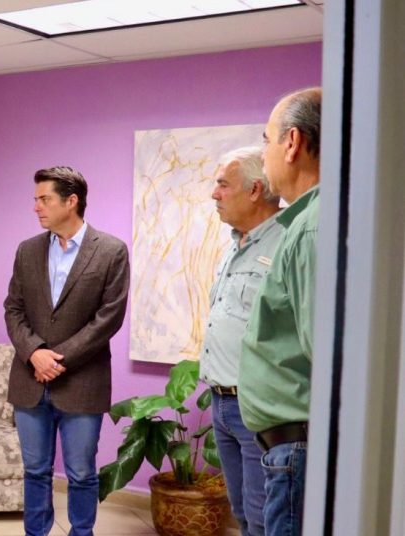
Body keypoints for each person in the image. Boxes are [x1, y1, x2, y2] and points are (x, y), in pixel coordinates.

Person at [3, 166, 130, 536]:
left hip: (82, 383)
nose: (36, 207)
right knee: (35, 471)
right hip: (29, 380)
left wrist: (58, 360)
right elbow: (13, 309)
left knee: (81, 473)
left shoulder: (111, 251)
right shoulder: (27, 250)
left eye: (44, 199)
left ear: (71, 201)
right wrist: (35, 353)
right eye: (36, 199)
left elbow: (108, 319)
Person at [238, 87, 322, 536]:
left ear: (292, 143)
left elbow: (324, 353)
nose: (264, 153)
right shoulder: (309, 221)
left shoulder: (311, 229)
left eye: (266, 140)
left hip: (299, 448)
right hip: (292, 448)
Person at [200, 146, 283, 536]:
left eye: (222, 184)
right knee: (242, 513)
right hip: (222, 403)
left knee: (264, 518)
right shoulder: (233, 246)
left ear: (254, 190)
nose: (214, 194)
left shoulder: (285, 244)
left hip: (258, 407)